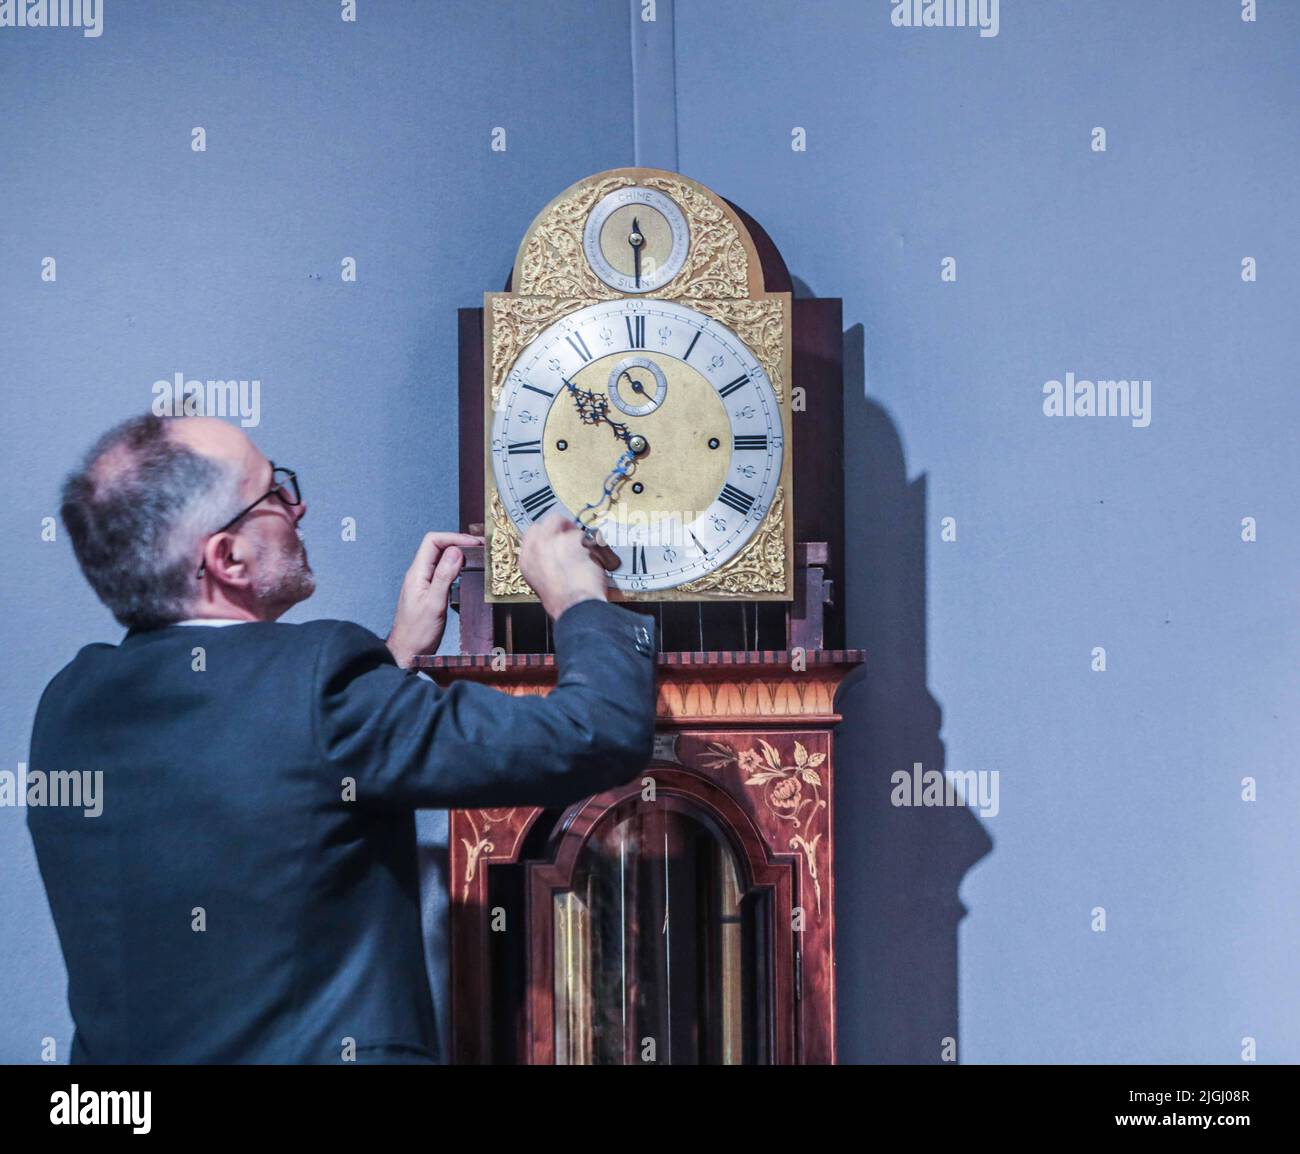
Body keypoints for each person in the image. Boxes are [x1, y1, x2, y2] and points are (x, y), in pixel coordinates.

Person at [27, 413, 657, 1064]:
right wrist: (580, 600)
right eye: (273, 493)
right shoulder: (324, 681)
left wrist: (393, 661)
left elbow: (265, 766)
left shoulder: (70, 704)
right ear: (226, 558)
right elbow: (596, 731)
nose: (299, 507)